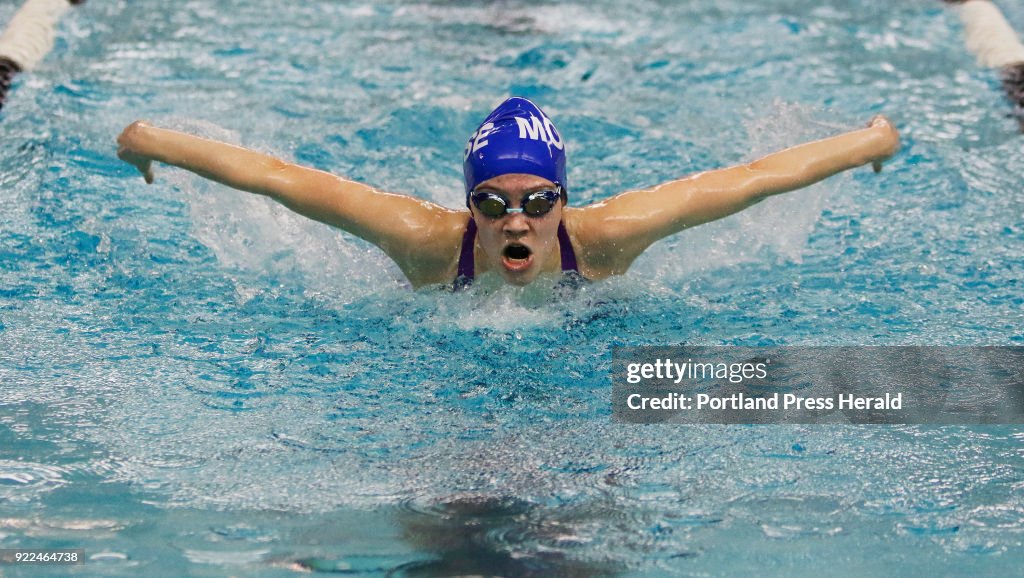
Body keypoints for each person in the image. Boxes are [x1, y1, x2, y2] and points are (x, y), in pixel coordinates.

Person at [116, 97, 899, 290]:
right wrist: (152, 142)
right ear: (469, 210)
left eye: (536, 202)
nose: (516, 220)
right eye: (492, 204)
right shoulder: (426, 242)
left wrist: (870, 142)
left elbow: (750, 182)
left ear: (564, 201)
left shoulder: (605, 238)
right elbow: (284, 182)